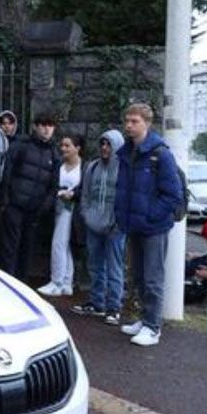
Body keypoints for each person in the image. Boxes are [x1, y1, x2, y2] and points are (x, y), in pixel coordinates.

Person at [114, 102, 183, 348]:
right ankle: (145, 320)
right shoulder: (125, 153)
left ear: (147, 123)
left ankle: (153, 327)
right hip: (134, 224)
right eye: (127, 121)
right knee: (138, 276)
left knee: (153, 278)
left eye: (135, 122)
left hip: (153, 226)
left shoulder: (160, 154)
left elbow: (172, 194)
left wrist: (151, 215)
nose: (129, 126)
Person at [0, 114, 60, 280]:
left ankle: (21, 283)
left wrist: (44, 207)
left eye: (50, 125)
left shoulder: (54, 153)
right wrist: (6, 201)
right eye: (43, 125)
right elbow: (7, 174)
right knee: (9, 248)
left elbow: (53, 185)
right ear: (35, 126)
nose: (47, 129)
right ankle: (7, 282)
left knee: (27, 249)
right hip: (15, 206)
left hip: (35, 211)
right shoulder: (21, 146)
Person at [73, 130, 126, 324]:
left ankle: (114, 307)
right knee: (95, 265)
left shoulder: (123, 167)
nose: (104, 148)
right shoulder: (92, 167)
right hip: (93, 223)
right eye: (102, 144)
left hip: (115, 226)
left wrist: (119, 220)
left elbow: (125, 197)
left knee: (115, 267)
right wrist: (86, 215)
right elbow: (85, 194)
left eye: (108, 144)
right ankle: (97, 303)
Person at [39, 135, 83, 296]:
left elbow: (85, 188)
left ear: (77, 148)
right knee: (63, 244)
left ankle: (56, 281)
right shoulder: (59, 165)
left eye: (68, 145)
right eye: (62, 145)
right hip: (57, 207)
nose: (63, 148)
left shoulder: (83, 167)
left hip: (72, 209)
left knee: (59, 243)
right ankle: (66, 282)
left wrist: (73, 194)